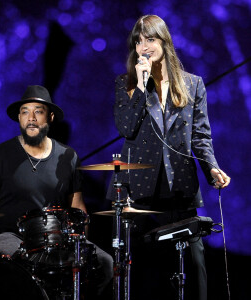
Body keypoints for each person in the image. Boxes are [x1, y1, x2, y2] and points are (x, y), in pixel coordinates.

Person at [106, 15, 230, 300]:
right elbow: (125, 127)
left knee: (195, 265)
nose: (144, 47)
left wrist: (211, 167)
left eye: (150, 39)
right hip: (140, 190)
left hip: (181, 189)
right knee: (147, 272)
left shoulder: (192, 84)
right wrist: (140, 85)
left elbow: (200, 136)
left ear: (164, 41)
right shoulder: (125, 84)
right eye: (138, 41)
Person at [0, 85, 113, 299]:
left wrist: (79, 244)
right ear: (19, 117)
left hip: (56, 239)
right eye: (25, 111)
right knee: (24, 264)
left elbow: (78, 208)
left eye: (38, 111)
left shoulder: (69, 156)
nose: (31, 118)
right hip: (10, 236)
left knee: (105, 263)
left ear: (51, 116)